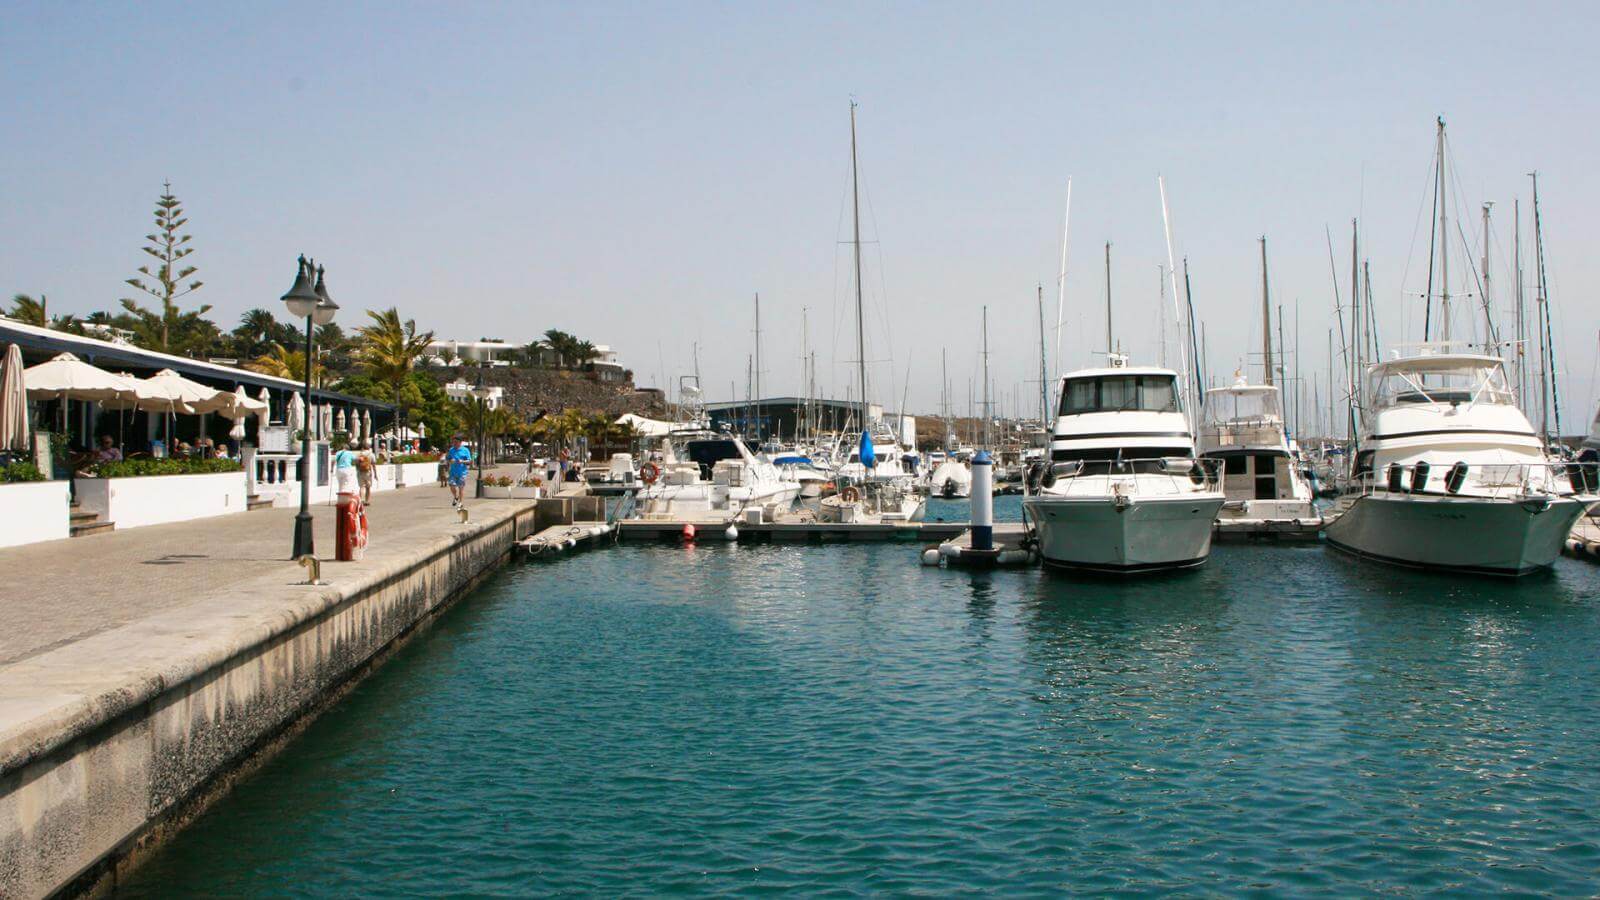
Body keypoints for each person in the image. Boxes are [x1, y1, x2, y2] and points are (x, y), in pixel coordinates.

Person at [331, 443, 368, 562]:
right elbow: (357, 459)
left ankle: (342, 493)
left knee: (342, 484)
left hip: (338, 471)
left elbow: (333, 461)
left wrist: (332, 469)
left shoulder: (338, 453)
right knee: (347, 482)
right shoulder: (349, 453)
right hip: (347, 470)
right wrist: (362, 458)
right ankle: (346, 494)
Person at [445, 435, 473, 508]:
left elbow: (469, 461)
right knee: (452, 486)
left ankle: (460, 502)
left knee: (461, 488)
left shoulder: (465, 450)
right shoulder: (451, 450)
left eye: (456, 442)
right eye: (453, 442)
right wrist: (450, 460)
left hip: (462, 473)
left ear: (460, 442)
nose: (454, 443)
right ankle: (456, 496)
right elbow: (448, 458)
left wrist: (462, 461)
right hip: (453, 472)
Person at [355, 440, 376, 505]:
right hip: (368, 472)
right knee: (368, 487)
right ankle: (367, 501)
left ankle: (360, 501)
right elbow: (374, 464)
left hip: (360, 472)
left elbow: (356, 464)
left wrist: (358, 470)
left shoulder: (359, 454)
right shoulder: (371, 454)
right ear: (369, 447)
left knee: (361, 487)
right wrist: (375, 474)